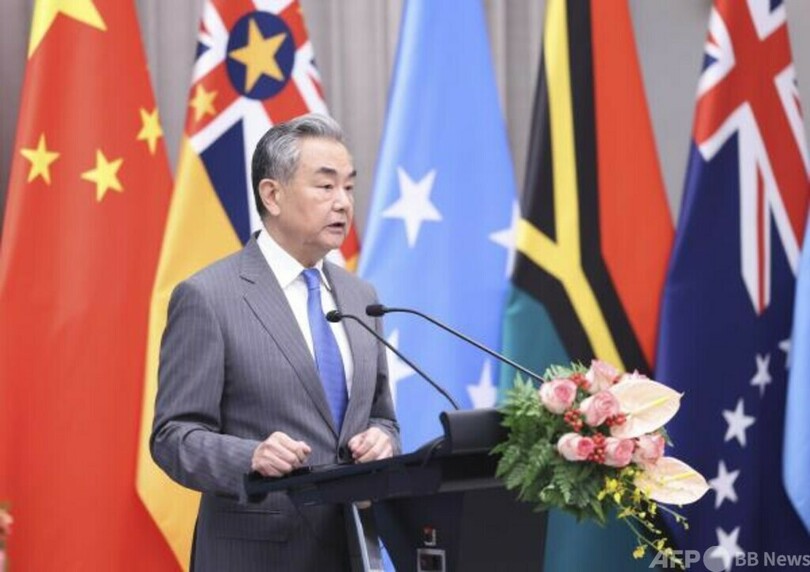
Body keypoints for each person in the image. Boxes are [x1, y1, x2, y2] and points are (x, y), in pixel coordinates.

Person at [151, 114, 400, 571]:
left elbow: (382, 416)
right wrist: (250, 456)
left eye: (349, 186)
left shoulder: (361, 297)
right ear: (272, 194)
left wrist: (382, 440)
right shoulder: (209, 297)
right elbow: (173, 437)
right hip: (256, 554)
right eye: (325, 186)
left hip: (351, 550)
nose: (343, 202)